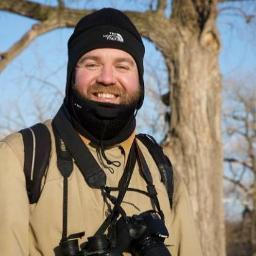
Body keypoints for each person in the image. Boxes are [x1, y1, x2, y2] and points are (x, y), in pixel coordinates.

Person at [0, 8, 202, 256]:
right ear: (71, 76)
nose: (107, 78)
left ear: (139, 80)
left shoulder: (159, 169)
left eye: (123, 66)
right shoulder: (21, 156)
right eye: (92, 64)